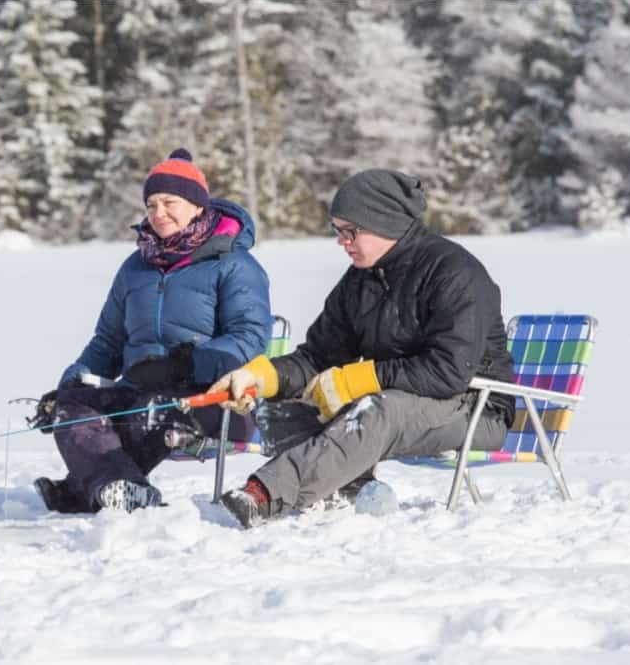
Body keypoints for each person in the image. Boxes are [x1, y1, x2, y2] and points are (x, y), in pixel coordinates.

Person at [209, 168, 516, 528]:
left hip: (476, 406)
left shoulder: (455, 273)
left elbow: (448, 372)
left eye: (350, 231)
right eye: (337, 231)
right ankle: (346, 491)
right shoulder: (360, 279)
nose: (342, 241)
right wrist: (263, 376)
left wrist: (359, 378)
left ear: (384, 223)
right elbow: (319, 355)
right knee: (283, 406)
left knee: (375, 408)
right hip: (400, 402)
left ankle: (265, 494)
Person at [32, 149, 272, 514]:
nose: (158, 213)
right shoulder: (135, 268)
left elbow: (250, 338)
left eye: (169, 202)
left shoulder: (234, 264)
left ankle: (91, 489)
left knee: (151, 409)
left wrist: (185, 365)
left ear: (197, 205)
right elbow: (108, 341)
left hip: (213, 399)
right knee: (73, 409)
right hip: (140, 389)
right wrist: (69, 385)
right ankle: (114, 487)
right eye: (151, 205)